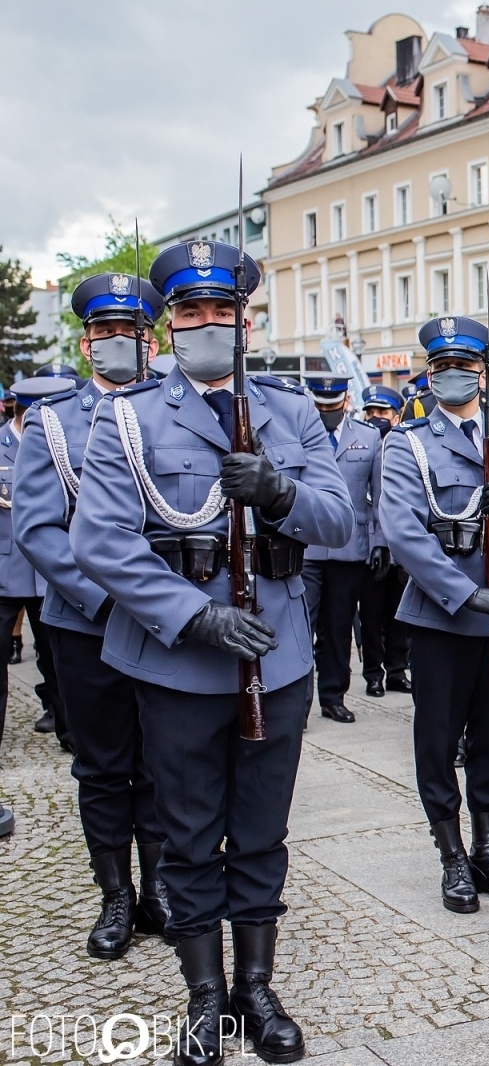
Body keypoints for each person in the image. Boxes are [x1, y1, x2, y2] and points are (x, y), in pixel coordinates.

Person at [71, 239, 355, 1066]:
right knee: (190, 833)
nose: (206, 324)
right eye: (189, 312)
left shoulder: (293, 411)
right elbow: (103, 542)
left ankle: (256, 989)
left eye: (220, 312)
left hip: (279, 656)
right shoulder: (128, 416)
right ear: (169, 326)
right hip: (178, 661)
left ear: (244, 321)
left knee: (262, 831)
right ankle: (204, 998)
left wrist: (281, 492)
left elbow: (338, 522)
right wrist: (193, 618)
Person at [14, 273, 172, 961]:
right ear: (85, 343)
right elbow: (39, 529)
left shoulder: (176, 411)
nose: (119, 342)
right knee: (104, 765)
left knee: (165, 761)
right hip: (88, 622)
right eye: (105, 331)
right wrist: (111, 597)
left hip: (167, 622)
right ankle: (114, 896)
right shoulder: (53, 423)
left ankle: (160, 889)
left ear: (154, 339)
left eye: (131, 332)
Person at [378, 315, 489, 918]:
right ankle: (450, 855)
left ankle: (487, 849)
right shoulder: (407, 444)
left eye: (464, 367)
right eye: (441, 367)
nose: (452, 376)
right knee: (437, 740)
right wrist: (464, 595)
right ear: (429, 373)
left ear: (482, 372)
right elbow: (404, 533)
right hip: (443, 618)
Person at [301, 377, 384, 724]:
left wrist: (380, 542)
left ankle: (333, 696)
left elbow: (379, 495)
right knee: (300, 628)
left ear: (345, 400)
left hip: (350, 547)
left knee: (337, 630)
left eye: (332, 407)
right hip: (305, 547)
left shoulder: (368, 437)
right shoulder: (299, 435)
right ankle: (298, 704)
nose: (326, 413)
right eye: (320, 407)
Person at [4, 379, 68, 748]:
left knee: (58, 661)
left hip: (50, 575)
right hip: (5, 573)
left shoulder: (71, 439)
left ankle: (69, 731)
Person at [356, 386, 412, 698]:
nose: (376, 418)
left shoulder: (404, 446)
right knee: (371, 615)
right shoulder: (360, 447)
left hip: (401, 547)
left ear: (396, 416)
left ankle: (396, 671)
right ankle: (373, 674)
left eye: (383, 413)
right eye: (372, 413)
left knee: (398, 616)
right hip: (369, 546)